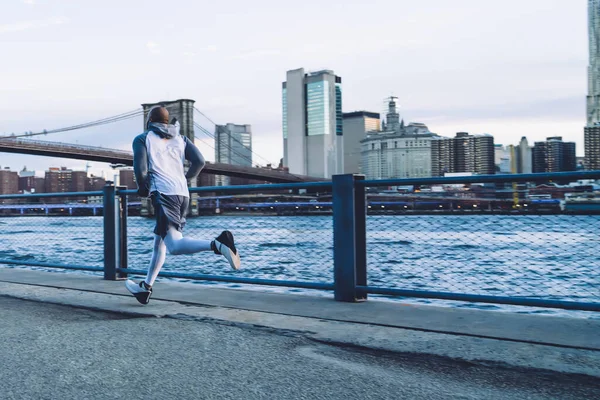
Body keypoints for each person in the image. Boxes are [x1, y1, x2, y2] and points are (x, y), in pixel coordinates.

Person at [126, 106, 240, 304]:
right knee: (159, 243)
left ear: (149, 121)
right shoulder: (181, 139)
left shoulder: (142, 139)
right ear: (167, 122)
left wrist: (143, 187)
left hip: (163, 194)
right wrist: (185, 179)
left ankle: (218, 244)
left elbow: (140, 169)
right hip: (182, 194)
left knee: (174, 245)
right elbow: (200, 162)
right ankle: (145, 287)